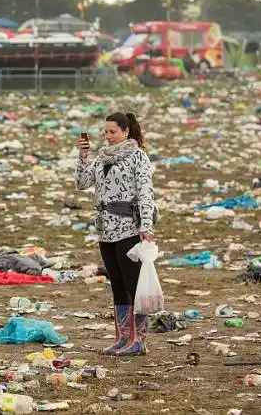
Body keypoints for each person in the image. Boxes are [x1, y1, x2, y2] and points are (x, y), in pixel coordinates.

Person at [75, 112, 157, 356]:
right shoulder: (101, 158)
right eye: (106, 132)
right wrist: (83, 155)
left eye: (113, 132)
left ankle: (139, 340)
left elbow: (145, 191)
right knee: (118, 285)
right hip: (105, 229)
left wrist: (146, 225)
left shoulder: (137, 157)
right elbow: (81, 183)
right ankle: (123, 338)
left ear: (126, 132)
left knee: (134, 285)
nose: (108, 137)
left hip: (129, 228)